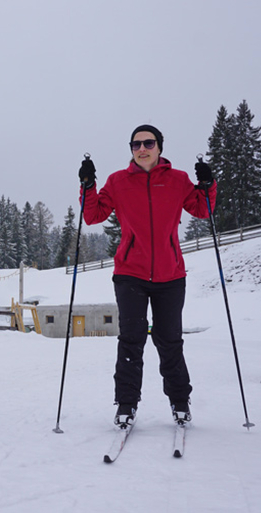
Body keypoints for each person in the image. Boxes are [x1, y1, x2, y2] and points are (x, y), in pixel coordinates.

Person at [78, 124, 215, 428]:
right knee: (131, 340)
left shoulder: (178, 180)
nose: (142, 149)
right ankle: (126, 405)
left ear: (159, 147)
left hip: (170, 276)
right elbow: (92, 216)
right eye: (136, 144)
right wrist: (88, 185)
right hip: (131, 274)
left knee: (169, 342)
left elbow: (203, 210)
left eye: (148, 143)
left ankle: (180, 403)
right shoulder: (118, 181)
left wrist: (208, 184)